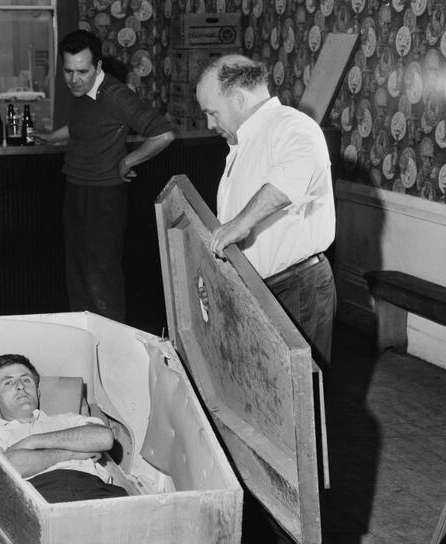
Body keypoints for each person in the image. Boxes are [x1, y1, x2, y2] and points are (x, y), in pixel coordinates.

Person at [196, 54, 338, 369]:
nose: (209, 123)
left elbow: (294, 174)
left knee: (299, 401)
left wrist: (240, 224)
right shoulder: (244, 141)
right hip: (264, 288)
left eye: (212, 112)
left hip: (295, 288)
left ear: (237, 98)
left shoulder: (292, 125)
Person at [37, 30, 174, 322]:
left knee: (102, 282)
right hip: (76, 190)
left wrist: (128, 161)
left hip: (104, 198)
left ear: (98, 66)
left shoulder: (115, 95)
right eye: (68, 71)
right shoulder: (81, 92)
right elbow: (80, 125)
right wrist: (51, 138)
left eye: (82, 72)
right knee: (78, 278)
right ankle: (88, 347)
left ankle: (112, 354)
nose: (74, 79)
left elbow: (163, 133)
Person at [0, 353, 128, 503]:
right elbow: (5, 468)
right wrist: (73, 453)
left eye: (26, 380)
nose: (21, 386)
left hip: (98, 491)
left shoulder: (68, 419)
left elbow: (104, 438)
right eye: (8, 383)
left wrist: (32, 443)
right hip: (37, 496)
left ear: (37, 391)